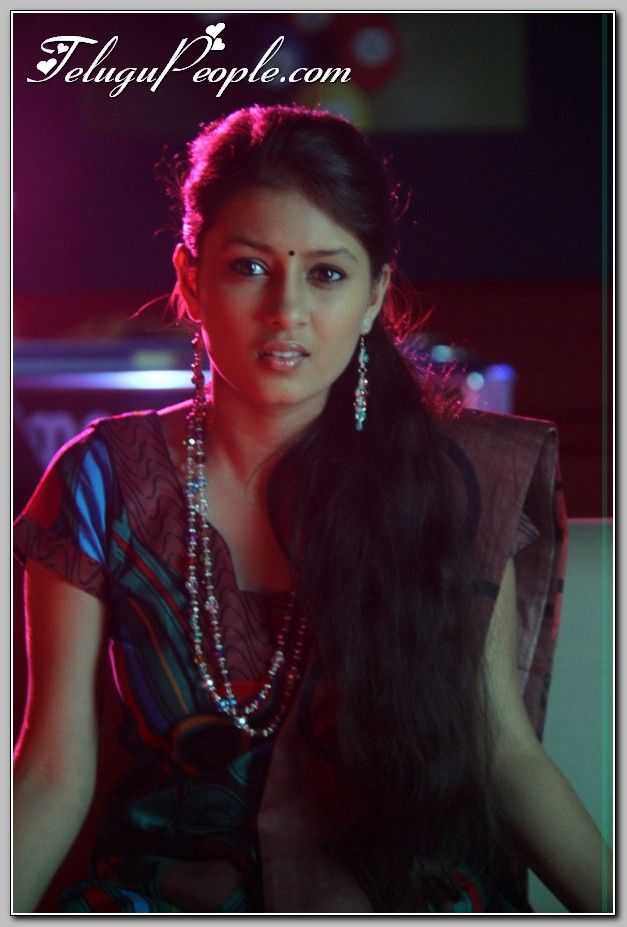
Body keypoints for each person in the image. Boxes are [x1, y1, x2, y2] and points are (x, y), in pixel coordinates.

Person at [13, 103, 611, 914]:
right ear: (190, 279)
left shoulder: (443, 485)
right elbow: (51, 771)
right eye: (248, 267)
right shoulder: (101, 482)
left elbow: (502, 755)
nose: (285, 310)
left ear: (373, 296)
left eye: (326, 274)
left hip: (397, 897)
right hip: (172, 899)